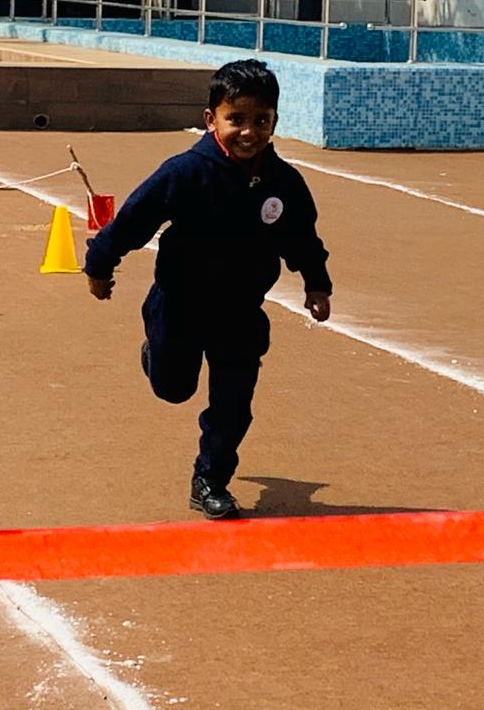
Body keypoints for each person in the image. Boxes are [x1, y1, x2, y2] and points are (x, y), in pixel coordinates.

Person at [84, 59, 333, 520]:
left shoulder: (284, 182)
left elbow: (301, 236)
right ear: (211, 119)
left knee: (234, 404)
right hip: (180, 304)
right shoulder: (185, 173)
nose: (249, 132)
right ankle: (154, 352)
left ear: (274, 120)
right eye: (236, 119)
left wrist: (316, 283)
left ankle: (210, 479)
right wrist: (99, 265)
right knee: (173, 388)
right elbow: (133, 221)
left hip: (241, 311)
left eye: (261, 120)